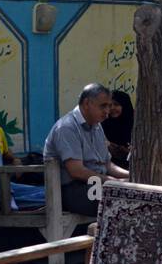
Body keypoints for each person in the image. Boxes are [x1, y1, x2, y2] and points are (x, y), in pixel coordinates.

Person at [43, 83, 130, 216]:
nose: (107, 111)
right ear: (87, 103)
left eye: (109, 106)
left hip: (94, 185)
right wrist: (114, 182)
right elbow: (77, 171)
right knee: (124, 201)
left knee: (138, 192)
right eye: (103, 106)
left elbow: (107, 164)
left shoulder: (97, 126)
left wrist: (131, 176)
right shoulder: (67, 128)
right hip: (73, 189)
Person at [102, 90, 134, 165]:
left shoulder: (135, 124)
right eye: (110, 105)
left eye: (116, 104)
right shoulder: (103, 123)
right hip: (107, 166)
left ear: (124, 105)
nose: (112, 108)